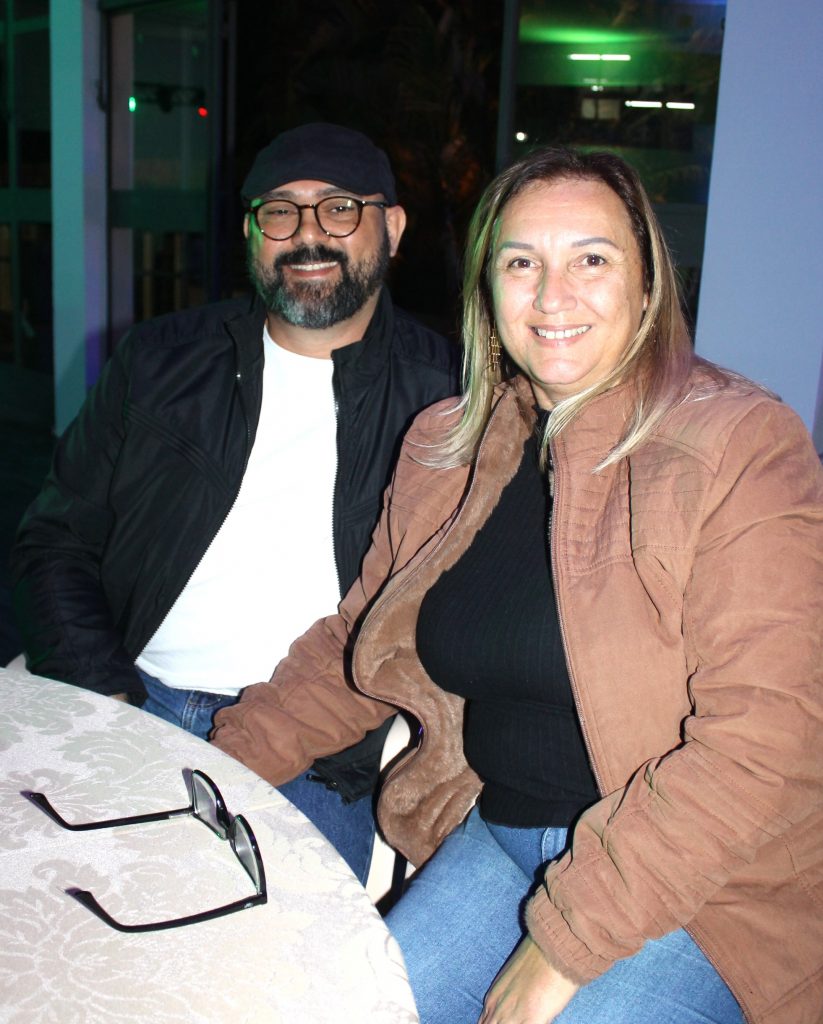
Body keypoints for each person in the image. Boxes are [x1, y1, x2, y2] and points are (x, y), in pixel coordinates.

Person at [211, 145, 823, 1024]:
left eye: (591, 260)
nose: (551, 295)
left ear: (647, 286)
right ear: (486, 291)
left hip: (705, 884)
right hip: (498, 836)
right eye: (521, 263)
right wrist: (219, 768)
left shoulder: (738, 445)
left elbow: (762, 738)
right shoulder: (447, 444)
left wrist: (567, 942)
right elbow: (357, 642)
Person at [10, 122, 460, 884]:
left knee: (273, 944)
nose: (307, 235)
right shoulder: (160, 362)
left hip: (316, 745)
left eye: (339, 209)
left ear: (391, 227)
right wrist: (106, 698)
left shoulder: (448, 396)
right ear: (250, 233)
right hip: (134, 696)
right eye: (279, 211)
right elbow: (55, 542)